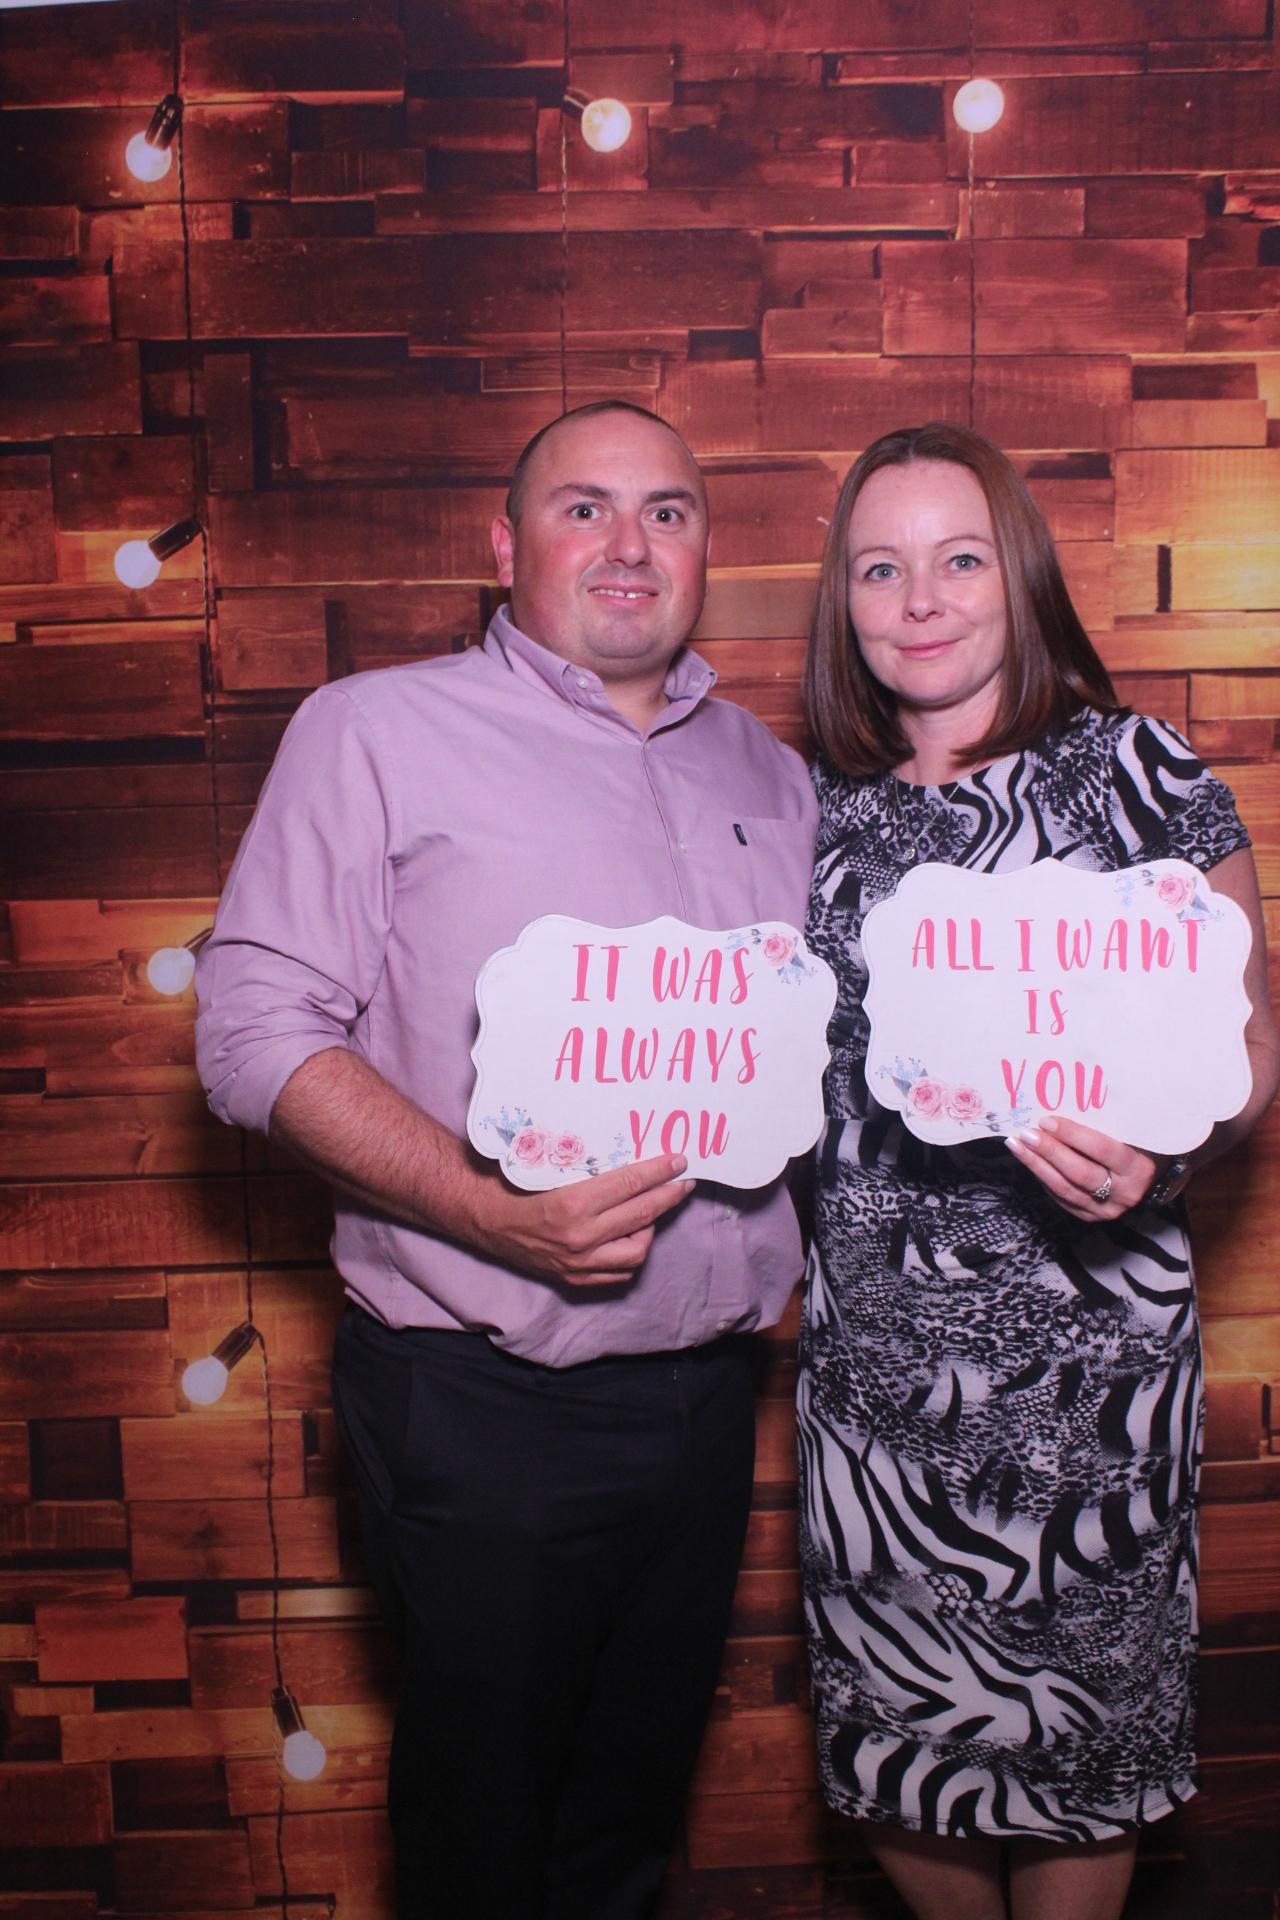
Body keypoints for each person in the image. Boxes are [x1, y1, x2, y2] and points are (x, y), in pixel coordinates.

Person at [194, 400, 818, 1920]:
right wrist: (491, 1213)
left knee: (623, 1825)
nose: (629, 545)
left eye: (667, 511)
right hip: (482, 1404)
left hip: (704, 1403)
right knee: (484, 1843)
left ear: (706, 552)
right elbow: (249, 1032)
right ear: (503, 547)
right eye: (584, 508)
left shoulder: (771, 774)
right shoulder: (376, 731)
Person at [797, 422, 1278, 1920]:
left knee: (1079, 1752)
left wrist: (1167, 1142)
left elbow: (1254, 1033)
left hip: (1089, 1382)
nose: (920, 598)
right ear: (847, 600)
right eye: (882, 567)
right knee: (900, 1750)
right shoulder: (826, 816)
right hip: (875, 1392)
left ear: (1017, 576)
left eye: (956, 559)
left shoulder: (1132, 771)